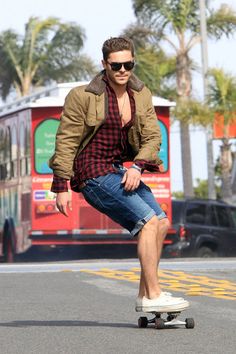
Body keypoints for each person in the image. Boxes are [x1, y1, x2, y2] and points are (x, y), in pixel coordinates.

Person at [49, 36, 189, 313]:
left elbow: (152, 137)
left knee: (161, 223)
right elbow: (66, 141)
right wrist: (61, 186)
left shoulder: (141, 94)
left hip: (118, 169)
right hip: (91, 172)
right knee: (148, 222)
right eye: (116, 66)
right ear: (104, 65)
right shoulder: (83, 96)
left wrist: (137, 166)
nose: (123, 70)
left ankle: (145, 295)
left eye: (128, 64)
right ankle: (155, 294)